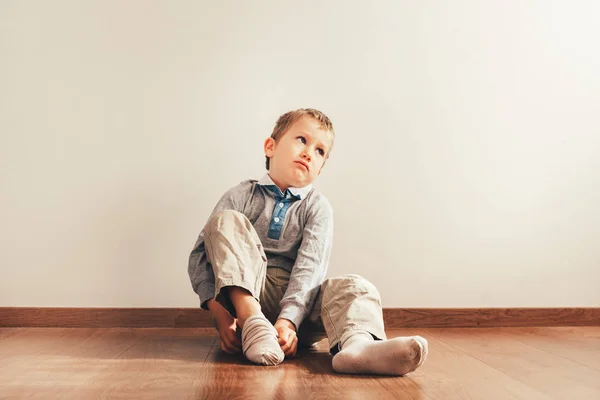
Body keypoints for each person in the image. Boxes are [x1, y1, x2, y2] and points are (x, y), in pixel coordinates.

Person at [188, 108, 428, 375]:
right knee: (224, 220)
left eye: (320, 151)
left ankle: (358, 346)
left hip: (298, 306)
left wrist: (289, 321)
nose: (308, 153)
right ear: (270, 147)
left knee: (356, 286)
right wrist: (220, 313)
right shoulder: (242, 195)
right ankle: (252, 320)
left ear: (320, 169)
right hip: (243, 300)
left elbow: (311, 267)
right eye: (302, 140)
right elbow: (202, 253)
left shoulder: (318, 207)